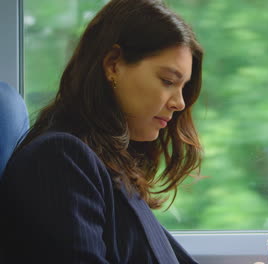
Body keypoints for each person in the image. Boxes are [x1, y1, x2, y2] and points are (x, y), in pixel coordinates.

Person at [0, 0, 202, 263]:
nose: (180, 103)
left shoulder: (113, 166)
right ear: (113, 64)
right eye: (167, 81)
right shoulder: (60, 160)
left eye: (183, 87)